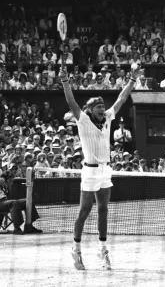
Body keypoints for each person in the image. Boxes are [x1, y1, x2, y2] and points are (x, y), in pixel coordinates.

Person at [59, 63, 144, 271]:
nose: (102, 109)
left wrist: (132, 79)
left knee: (104, 210)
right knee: (84, 211)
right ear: (90, 110)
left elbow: (122, 98)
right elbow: (71, 101)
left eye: (102, 106)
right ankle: (76, 249)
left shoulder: (107, 118)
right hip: (89, 171)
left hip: (106, 170)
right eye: (98, 107)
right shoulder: (82, 119)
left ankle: (103, 250)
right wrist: (65, 80)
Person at [0, 163, 43, 234]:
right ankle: (16, 228)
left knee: (28, 201)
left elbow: (5, 180)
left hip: (3, 201)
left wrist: (7, 181)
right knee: (13, 203)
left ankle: (29, 225)